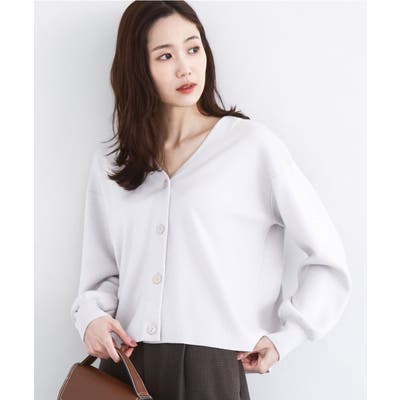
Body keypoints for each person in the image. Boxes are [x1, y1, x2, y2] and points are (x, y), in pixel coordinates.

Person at [70, 1, 352, 399]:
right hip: (125, 368)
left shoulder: (252, 148)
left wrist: (287, 336)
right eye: (165, 56)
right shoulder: (114, 163)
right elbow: (101, 275)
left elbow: (328, 260)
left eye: (193, 48)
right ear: (138, 68)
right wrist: (91, 318)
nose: (185, 68)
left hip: (210, 370)